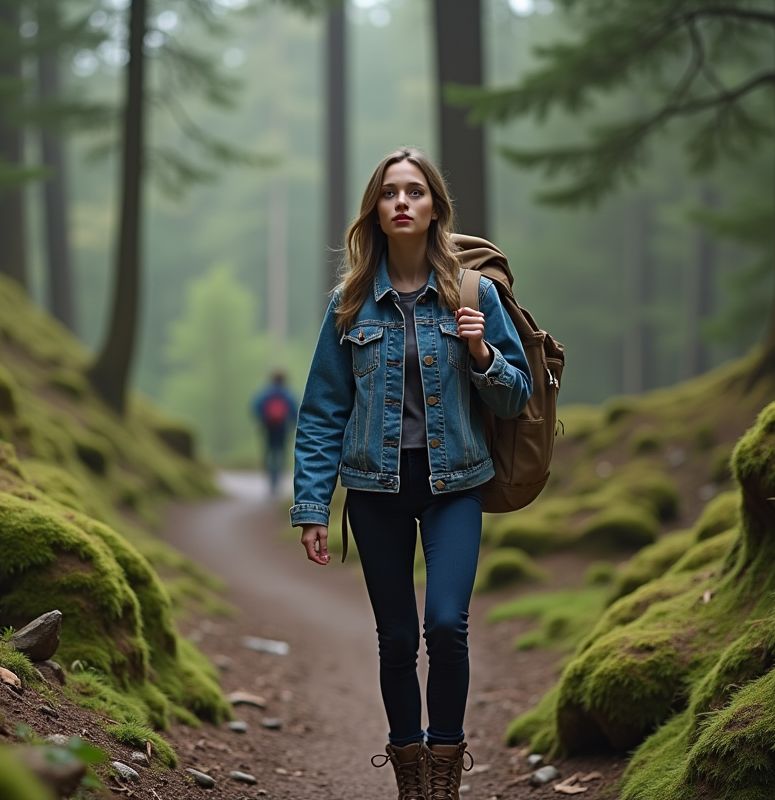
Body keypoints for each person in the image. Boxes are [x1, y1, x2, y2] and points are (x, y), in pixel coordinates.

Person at [290, 148, 531, 800]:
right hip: (376, 491)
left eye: (415, 191)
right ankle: (410, 775)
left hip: (456, 486)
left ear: (434, 208)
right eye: (390, 191)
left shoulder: (473, 294)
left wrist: (481, 351)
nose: (402, 201)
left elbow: (517, 398)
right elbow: (322, 412)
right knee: (396, 638)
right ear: (376, 210)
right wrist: (312, 507)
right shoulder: (349, 305)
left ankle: (445, 770)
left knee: (447, 626)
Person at [253, 370, 298, 496]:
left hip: (268, 428)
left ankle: (271, 480)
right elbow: (295, 410)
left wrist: (263, 419)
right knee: (280, 453)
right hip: (282, 428)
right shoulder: (287, 393)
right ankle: (277, 479)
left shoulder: (266, 392)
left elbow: (255, 406)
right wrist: (291, 424)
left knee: (269, 453)